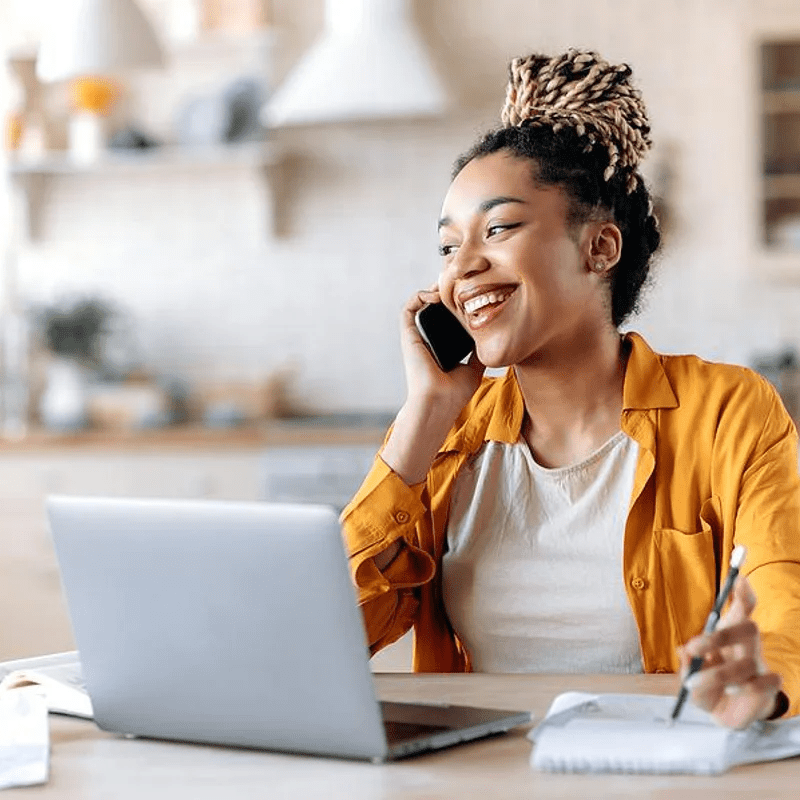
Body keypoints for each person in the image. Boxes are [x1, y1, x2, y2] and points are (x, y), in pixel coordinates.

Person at [340, 49, 800, 729]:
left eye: (498, 228)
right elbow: (332, 639)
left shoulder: (728, 411)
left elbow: (785, 601)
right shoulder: (447, 438)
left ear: (600, 249)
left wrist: (763, 678)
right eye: (446, 247)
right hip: (480, 779)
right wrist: (424, 416)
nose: (462, 268)